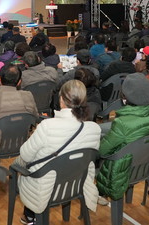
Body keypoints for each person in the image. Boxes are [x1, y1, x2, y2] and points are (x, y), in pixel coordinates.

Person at [14, 80, 101, 225]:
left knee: (23, 164)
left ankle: (30, 216)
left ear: (61, 99)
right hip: (76, 183)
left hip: (46, 186)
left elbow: (25, 155)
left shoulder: (47, 126)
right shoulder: (94, 129)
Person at [96, 73, 149, 202]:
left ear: (125, 98)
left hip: (121, 172)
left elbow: (103, 151)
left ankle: (99, 193)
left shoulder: (122, 123)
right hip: (146, 166)